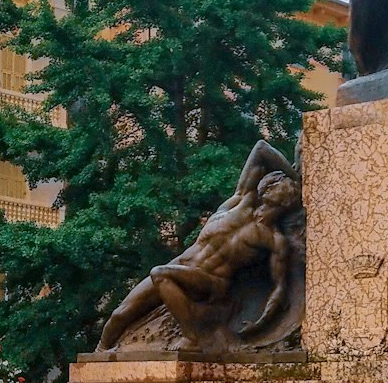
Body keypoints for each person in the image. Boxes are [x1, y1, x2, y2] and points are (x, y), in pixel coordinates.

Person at [97, 140, 302, 352]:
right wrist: (295, 176)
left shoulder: (274, 239)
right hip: (181, 267)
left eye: (288, 189)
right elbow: (260, 148)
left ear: (287, 204)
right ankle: (99, 354)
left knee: (160, 273)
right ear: (266, 189)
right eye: (281, 184)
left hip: (212, 283)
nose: (284, 188)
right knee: (120, 315)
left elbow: (279, 288)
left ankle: (191, 337)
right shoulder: (239, 202)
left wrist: (260, 324)